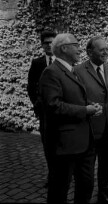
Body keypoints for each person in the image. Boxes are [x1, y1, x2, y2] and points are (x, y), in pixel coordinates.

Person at [39, 33, 102, 204]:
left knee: (86, 186)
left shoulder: (72, 70)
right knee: (59, 189)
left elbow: (75, 97)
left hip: (84, 142)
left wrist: (91, 106)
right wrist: (85, 110)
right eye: (76, 44)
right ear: (64, 48)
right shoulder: (50, 73)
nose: (80, 49)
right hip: (64, 144)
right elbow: (53, 106)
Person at [74, 36, 108, 204]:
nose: (106, 52)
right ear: (89, 52)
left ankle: (103, 196)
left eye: (107, 49)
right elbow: (75, 97)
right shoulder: (77, 70)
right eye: (102, 50)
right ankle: (84, 198)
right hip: (89, 127)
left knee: (106, 166)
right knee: (86, 170)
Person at [27, 30, 56, 186]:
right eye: (46, 42)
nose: (49, 45)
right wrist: (36, 104)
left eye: (52, 42)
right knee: (47, 144)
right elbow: (30, 87)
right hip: (45, 113)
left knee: (63, 143)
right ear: (42, 45)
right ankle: (52, 174)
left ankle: (64, 172)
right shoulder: (37, 63)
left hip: (61, 112)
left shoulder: (64, 62)